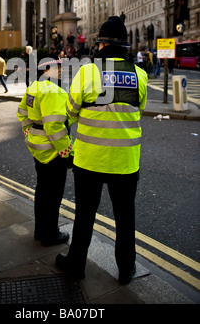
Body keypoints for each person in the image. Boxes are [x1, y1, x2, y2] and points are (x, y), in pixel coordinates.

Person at [56, 16, 148, 284]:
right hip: (126, 162)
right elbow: (138, 109)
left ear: (101, 45)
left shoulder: (86, 72)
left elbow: (70, 112)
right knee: (125, 217)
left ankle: (75, 265)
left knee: (84, 215)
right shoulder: (139, 75)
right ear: (125, 47)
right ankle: (126, 269)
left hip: (89, 160)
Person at [17, 58, 72, 246]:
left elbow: (22, 112)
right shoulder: (55, 91)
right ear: (47, 69)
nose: (61, 72)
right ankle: (50, 235)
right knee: (53, 195)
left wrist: (29, 133)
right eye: (58, 69)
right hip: (52, 152)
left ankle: (40, 231)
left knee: (42, 192)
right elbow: (55, 127)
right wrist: (67, 153)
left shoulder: (34, 87)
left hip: (37, 147)